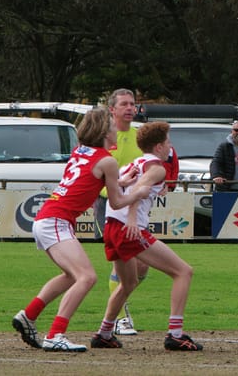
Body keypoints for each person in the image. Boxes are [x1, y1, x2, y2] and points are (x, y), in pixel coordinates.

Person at [11, 108, 150, 352]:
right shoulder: (106, 159)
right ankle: (56, 334)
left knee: (71, 276)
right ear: (103, 131)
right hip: (56, 220)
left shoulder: (81, 151)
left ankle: (29, 315)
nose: (116, 129)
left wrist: (121, 182)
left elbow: (87, 180)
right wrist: (137, 191)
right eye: (112, 125)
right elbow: (116, 202)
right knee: (87, 277)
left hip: (48, 218)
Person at [90, 121, 203, 351]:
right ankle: (175, 334)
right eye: (168, 142)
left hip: (111, 226)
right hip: (128, 227)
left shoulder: (135, 163)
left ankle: (103, 333)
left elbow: (132, 186)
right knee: (183, 272)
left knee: (128, 283)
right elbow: (138, 190)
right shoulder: (157, 167)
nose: (170, 146)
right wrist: (132, 217)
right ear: (159, 146)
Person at [92, 89, 147, 336]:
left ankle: (116, 309)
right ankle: (118, 318)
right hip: (110, 204)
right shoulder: (106, 137)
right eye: (124, 104)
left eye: (132, 104)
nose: (130, 108)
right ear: (112, 109)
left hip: (136, 204)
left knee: (142, 265)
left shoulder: (139, 137)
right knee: (123, 263)